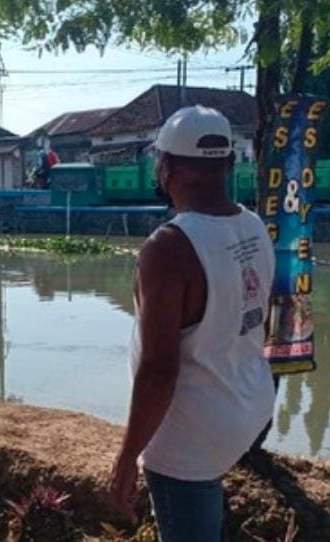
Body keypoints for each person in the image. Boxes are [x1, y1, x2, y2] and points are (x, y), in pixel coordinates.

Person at [108, 106, 276, 541]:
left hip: (188, 438)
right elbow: (261, 323)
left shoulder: (168, 247)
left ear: (164, 168)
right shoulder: (255, 227)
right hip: (247, 407)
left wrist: (128, 458)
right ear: (229, 163)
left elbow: (160, 370)